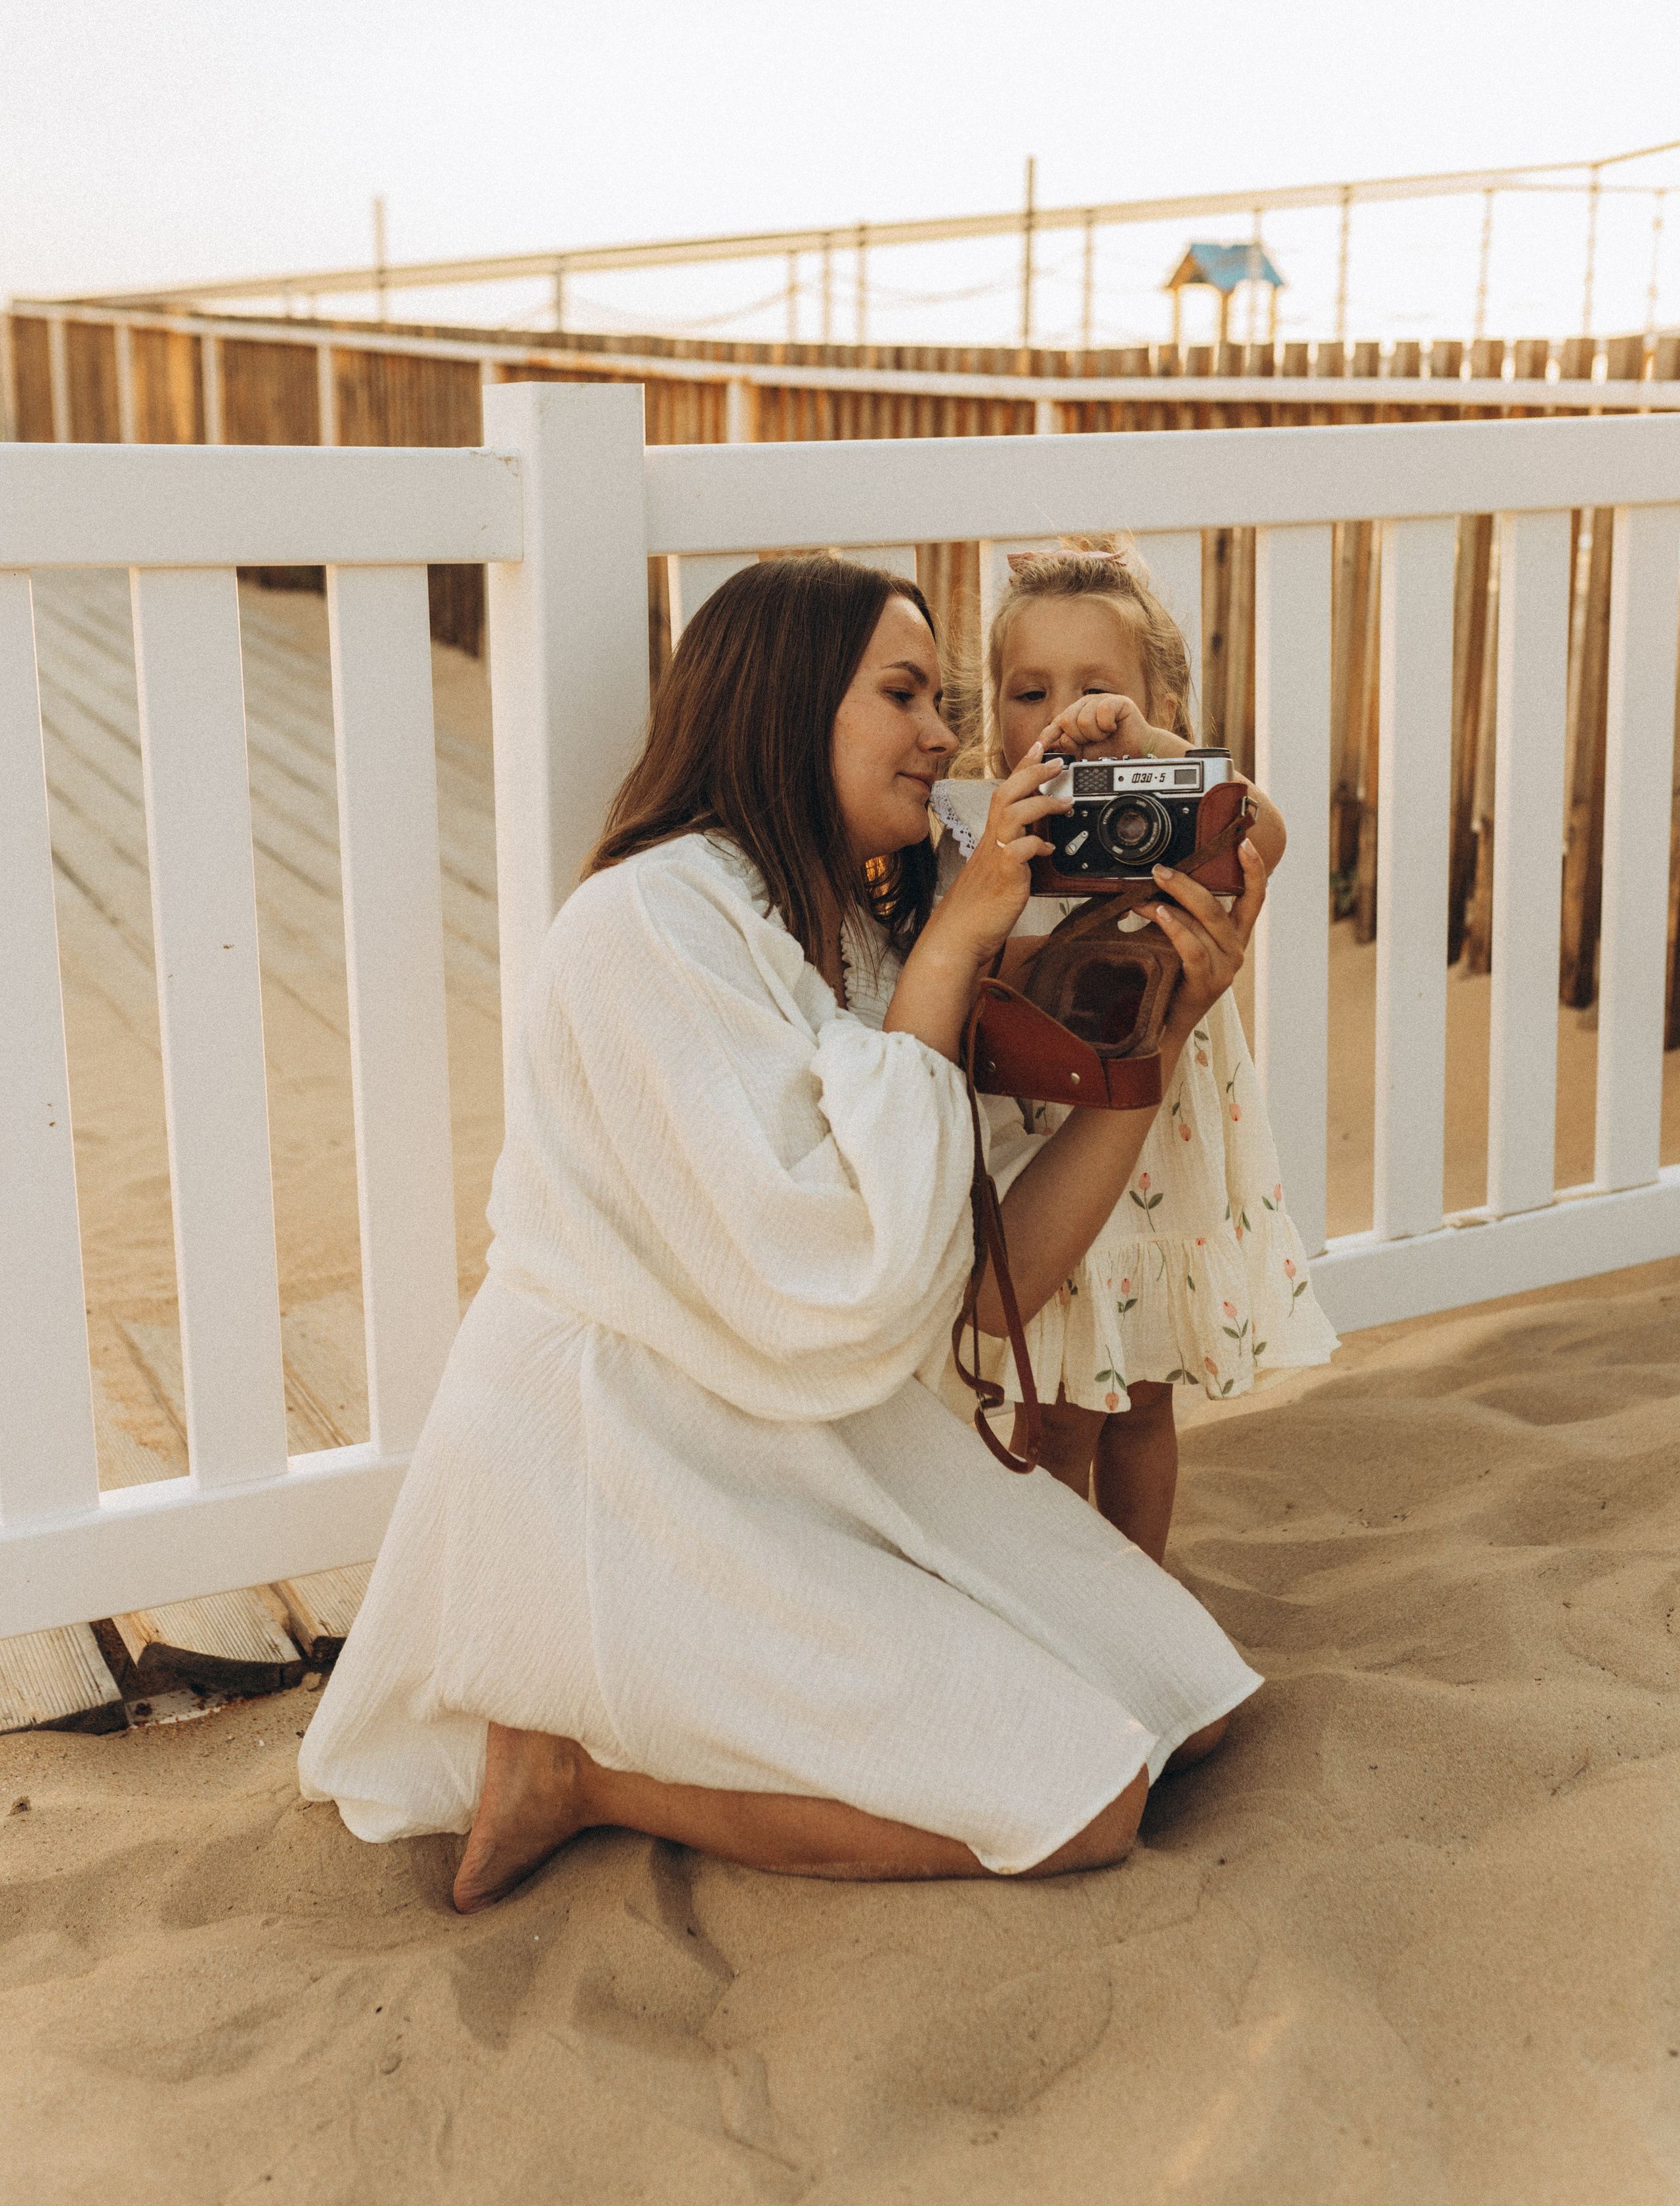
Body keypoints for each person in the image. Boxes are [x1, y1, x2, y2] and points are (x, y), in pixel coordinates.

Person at [299, 556, 1264, 1912]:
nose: (944, 736)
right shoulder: (645, 924)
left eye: (942, 699)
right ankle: (576, 1774)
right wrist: (961, 945)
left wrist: (1155, 1039)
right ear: (786, 702)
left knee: (1190, 1702)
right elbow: (838, 1280)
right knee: (1084, 1805)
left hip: (819, 1430)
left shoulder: (876, 917)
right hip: (634, 1458)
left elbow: (997, 1292)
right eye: (904, 696)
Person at [933, 545, 1337, 1563]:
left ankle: (1145, 1588)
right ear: (998, 716)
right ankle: (1081, 1609)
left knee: (1147, 1400)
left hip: (1161, 1152)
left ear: (1161, 705)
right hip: (1052, 1163)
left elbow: (1269, 833)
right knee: (1059, 1411)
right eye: (1032, 692)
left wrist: (1154, 750)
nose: (1065, 716)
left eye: (1099, 691)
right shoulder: (989, 838)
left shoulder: (1181, 822)